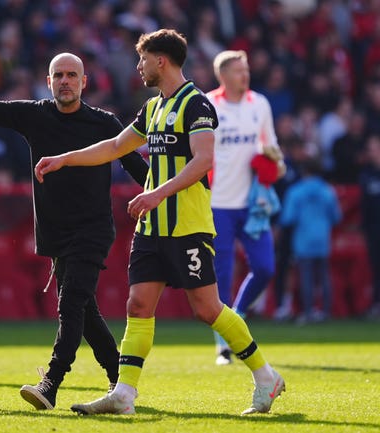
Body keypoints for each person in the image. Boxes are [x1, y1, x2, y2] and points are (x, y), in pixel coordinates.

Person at [35, 28, 285, 416]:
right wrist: (65, 158)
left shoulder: (197, 105)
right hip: (152, 229)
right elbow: (116, 147)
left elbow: (203, 160)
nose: (138, 67)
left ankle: (266, 377)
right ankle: (124, 394)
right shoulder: (152, 108)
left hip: (187, 224)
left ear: (161, 61)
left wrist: (156, 193)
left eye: (143, 59)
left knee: (207, 308)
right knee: (138, 305)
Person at [0, 51, 149, 410]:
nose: (65, 81)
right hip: (56, 232)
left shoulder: (104, 122)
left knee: (70, 303)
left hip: (93, 229)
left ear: (84, 82)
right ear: (49, 82)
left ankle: (51, 383)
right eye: (59, 75)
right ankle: (120, 380)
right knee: (85, 311)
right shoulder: (34, 114)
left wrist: (165, 191)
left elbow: (136, 164)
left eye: (72, 75)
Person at [206, 50, 285, 365]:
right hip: (217, 203)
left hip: (253, 205)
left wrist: (276, 164)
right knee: (221, 276)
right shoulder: (209, 105)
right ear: (223, 75)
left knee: (265, 267)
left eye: (246, 69)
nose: (245, 75)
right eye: (239, 70)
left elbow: (272, 147)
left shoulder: (260, 104)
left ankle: (236, 316)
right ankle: (223, 346)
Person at [279, 158, 342, 325]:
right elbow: (336, 217)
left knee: (306, 277)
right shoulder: (328, 191)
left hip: (303, 239)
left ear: (304, 171)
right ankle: (326, 312)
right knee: (324, 277)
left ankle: (308, 312)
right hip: (322, 239)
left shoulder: (296, 191)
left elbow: (287, 218)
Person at [358, 135, 380, 319]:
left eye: (374, 148)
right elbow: (364, 205)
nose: (371, 152)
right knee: (375, 267)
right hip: (373, 230)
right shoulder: (366, 174)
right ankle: (376, 304)